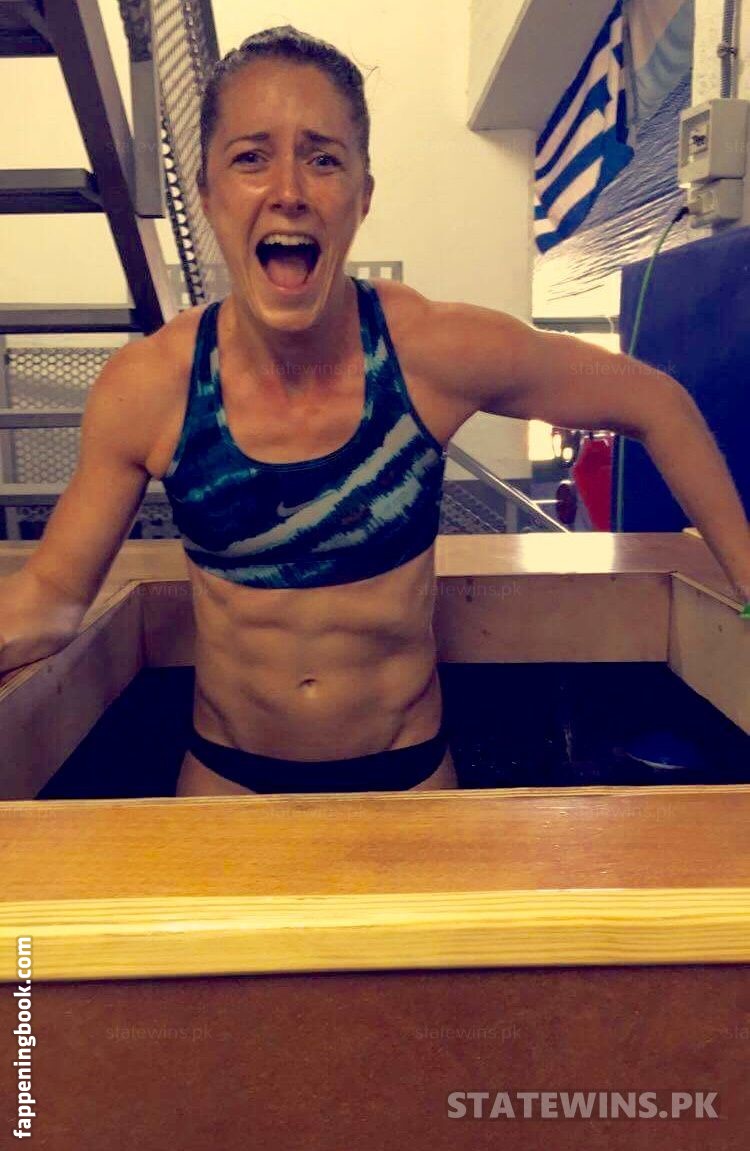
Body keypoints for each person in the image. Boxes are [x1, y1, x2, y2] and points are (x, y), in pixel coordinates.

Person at [1, 27, 748, 797]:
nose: (289, 189)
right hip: (229, 784)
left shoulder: (429, 352)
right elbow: (49, 599)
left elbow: (657, 401)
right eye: (251, 157)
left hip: (405, 780)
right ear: (208, 194)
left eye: (323, 159)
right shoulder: (151, 387)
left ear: (362, 197)